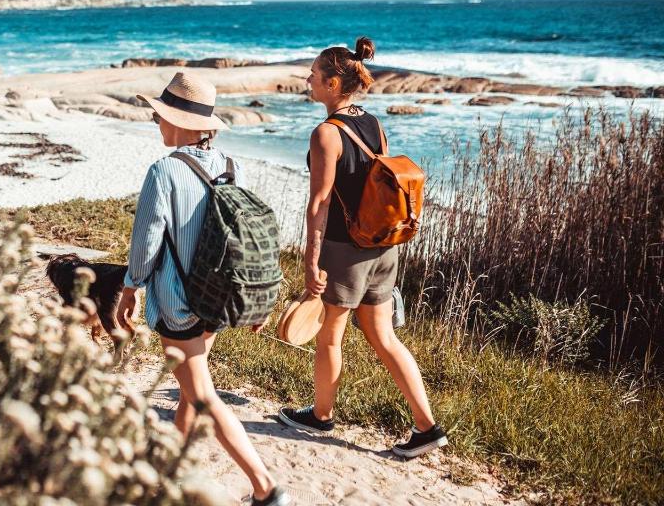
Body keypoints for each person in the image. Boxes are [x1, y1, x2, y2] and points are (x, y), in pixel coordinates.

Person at [115, 72, 291, 505]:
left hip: (179, 303)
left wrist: (130, 288)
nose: (156, 123)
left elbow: (147, 241)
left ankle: (265, 487)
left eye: (160, 116)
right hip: (217, 296)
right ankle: (169, 474)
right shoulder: (232, 165)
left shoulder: (164, 170)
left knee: (203, 394)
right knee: (192, 392)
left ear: (179, 123)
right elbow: (243, 234)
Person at [277, 37, 448, 459]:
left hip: (343, 249)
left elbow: (318, 204)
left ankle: (320, 416)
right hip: (382, 247)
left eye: (314, 76)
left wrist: (311, 262)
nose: (308, 80)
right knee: (383, 336)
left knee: (330, 337)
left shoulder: (325, 134)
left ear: (334, 83)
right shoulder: (374, 124)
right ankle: (427, 427)